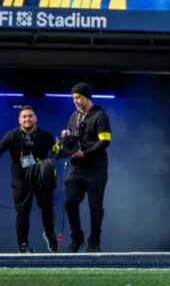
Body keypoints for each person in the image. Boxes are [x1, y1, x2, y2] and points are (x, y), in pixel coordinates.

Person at [0, 106, 58, 253]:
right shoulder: (12, 135)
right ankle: (23, 244)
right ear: (19, 120)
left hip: (41, 177)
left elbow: (58, 151)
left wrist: (48, 162)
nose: (27, 119)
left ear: (35, 118)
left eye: (30, 116)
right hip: (20, 178)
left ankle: (50, 235)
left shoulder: (45, 134)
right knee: (23, 212)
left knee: (47, 207)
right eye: (24, 117)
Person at [62, 83, 111, 253]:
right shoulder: (74, 116)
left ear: (87, 97)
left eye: (78, 97)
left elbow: (105, 141)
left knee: (95, 206)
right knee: (70, 202)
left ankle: (94, 242)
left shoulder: (100, 116)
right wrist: (66, 136)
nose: (75, 101)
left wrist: (86, 154)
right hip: (77, 169)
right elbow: (72, 140)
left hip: (96, 169)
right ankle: (77, 238)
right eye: (73, 98)